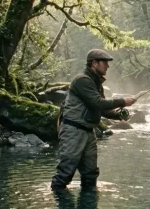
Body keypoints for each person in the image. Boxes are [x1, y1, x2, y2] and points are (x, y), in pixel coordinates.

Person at [50, 49, 137, 192]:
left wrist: (119, 115)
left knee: (90, 175)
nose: (107, 66)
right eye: (105, 63)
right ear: (94, 63)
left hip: (89, 132)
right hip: (73, 130)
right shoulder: (82, 80)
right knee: (65, 173)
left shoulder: (96, 83)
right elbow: (97, 103)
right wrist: (123, 101)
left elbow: (101, 110)